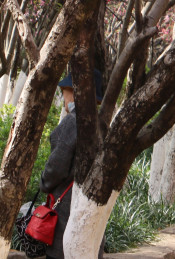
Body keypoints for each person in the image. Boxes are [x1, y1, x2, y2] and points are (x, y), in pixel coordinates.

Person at [41, 70, 105, 259]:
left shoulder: (73, 122)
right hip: (93, 215)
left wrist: (44, 183)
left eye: (65, 90)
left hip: (66, 215)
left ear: (75, 92)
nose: (63, 95)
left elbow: (56, 167)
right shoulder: (104, 124)